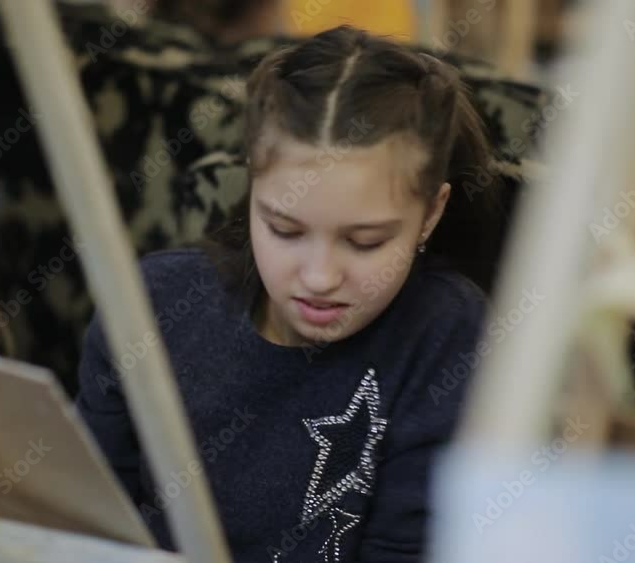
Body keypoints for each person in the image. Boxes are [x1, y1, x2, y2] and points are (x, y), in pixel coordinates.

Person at [77, 25, 494, 563]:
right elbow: (85, 514)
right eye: (285, 230)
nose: (319, 276)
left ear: (431, 213)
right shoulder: (151, 307)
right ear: (254, 185)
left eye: (365, 241)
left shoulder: (446, 339)